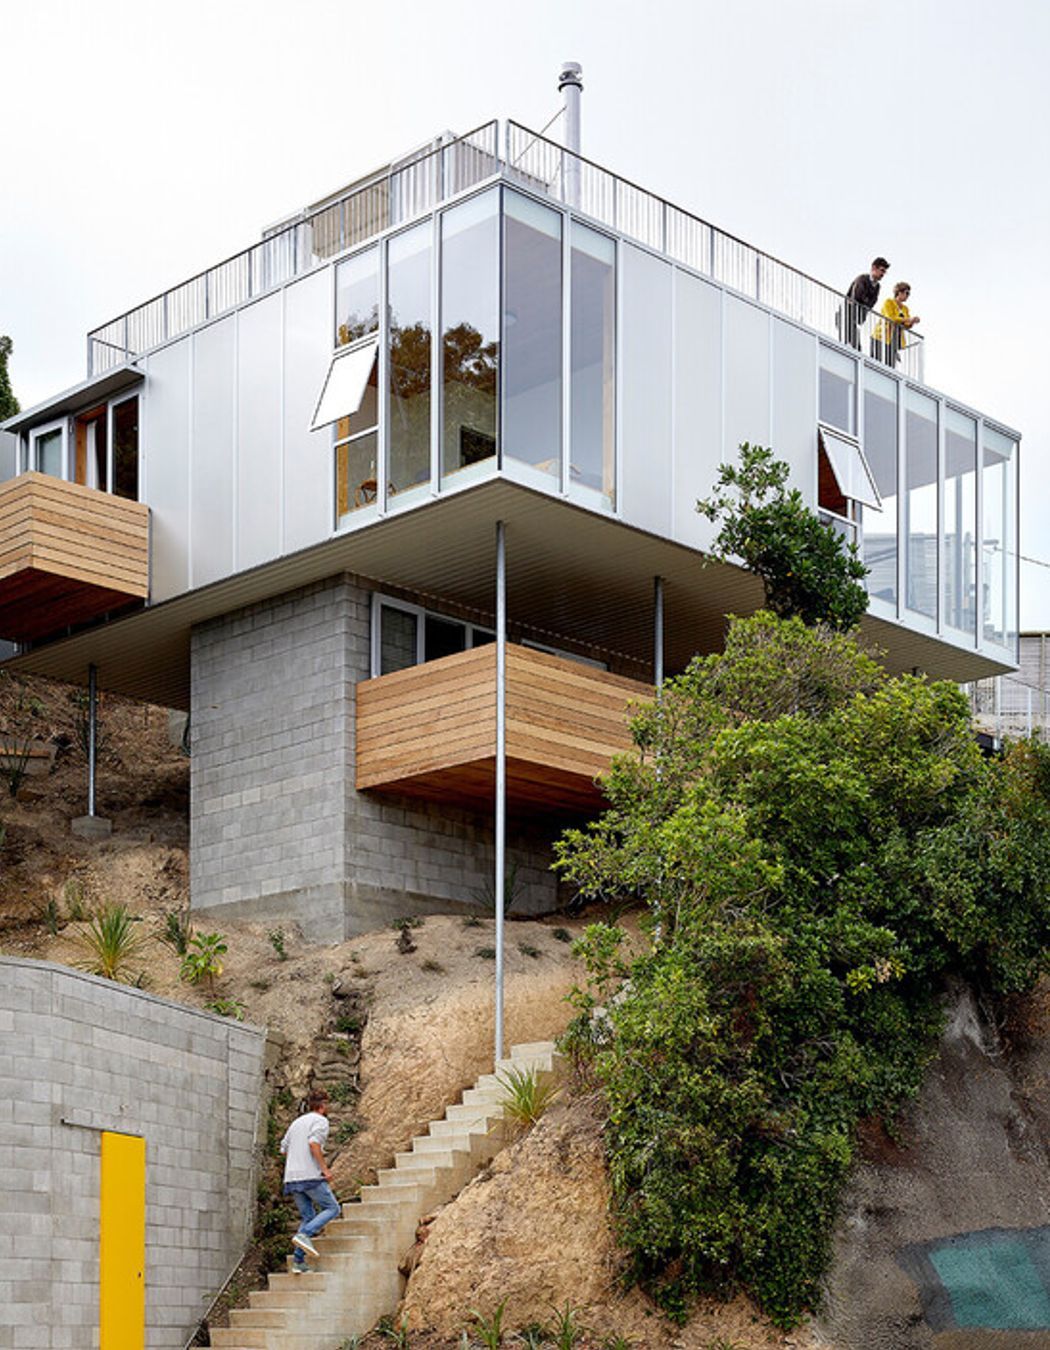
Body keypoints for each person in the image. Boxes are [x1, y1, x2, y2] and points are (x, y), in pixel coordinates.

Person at [280, 1088, 340, 1273]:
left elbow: (283, 1149)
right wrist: (325, 1170)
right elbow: (314, 1144)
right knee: (332, 1208)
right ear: (322, 1106)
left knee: (308, 1216)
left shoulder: (297, 1122)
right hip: (310, 1176)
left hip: (291, 1178)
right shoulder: (320, 1121)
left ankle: (298, 1262)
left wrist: (296, 1162)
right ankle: (305, 1234)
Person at [842, 256, 890, 350]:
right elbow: (858, 295)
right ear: (873, 268)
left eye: (884, 272)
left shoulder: (877, 286)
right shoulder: (862, 279)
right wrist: (865, 303)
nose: (883, 274)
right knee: (850, 341)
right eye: (881, 270)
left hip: (857, 316)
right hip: (847, 313)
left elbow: (873, 302)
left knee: (855, 342)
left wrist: (865, 305)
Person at [873, 281, 920, 367]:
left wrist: (912, 322)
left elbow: (906, 325)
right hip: (881, 336)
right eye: (907, 293)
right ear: (899, 292)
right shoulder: (889, 302)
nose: (908, 296)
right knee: (877, 362)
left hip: (894, 340)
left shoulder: (905, 309)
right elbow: (891, 318)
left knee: (890, 365)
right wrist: (908, 319)